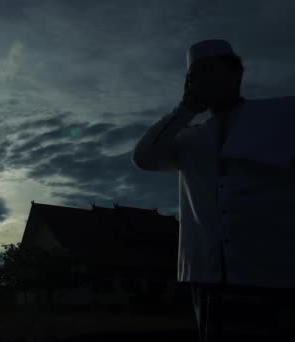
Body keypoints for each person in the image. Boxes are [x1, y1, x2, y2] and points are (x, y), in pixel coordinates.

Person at [131, 39, 295, 341]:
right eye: (194, 75)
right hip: (208, 275)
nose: (201, 80)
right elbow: (145, 158)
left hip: (275, 272)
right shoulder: (189, 137)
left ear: (235, 74)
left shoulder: (282, 115)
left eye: (209, 71)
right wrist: (185, 109)